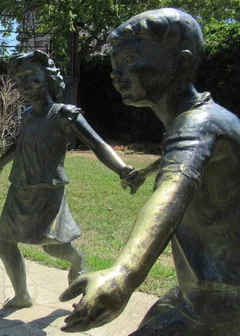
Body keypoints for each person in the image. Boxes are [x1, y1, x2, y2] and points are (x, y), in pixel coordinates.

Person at [59, 8, 240, 335]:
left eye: (130, 59)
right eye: (114, 63)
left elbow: (172, 193)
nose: (116, 73)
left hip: (223, 296)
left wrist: (123, 275)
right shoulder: (195, 122)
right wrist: (144, 172)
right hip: (200, 287)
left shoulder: (198, 124)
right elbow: (180, 163)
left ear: (181, 64)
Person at [0, 50, 134, 308]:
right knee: (5, 242)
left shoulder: (64, 114)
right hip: (19, 188)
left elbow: (97, 144)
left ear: (49, 77)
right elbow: (20, 145)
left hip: (47, 191)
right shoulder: (28, 115)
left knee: (51, 247)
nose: (25, 83)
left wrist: (122, 169)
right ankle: (22, 295)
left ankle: (78, 262)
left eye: (32, 75)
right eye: (20, 79)